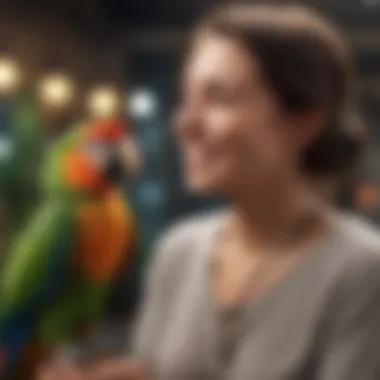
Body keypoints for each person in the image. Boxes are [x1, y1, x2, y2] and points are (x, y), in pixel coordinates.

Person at [38, 4, 380, 380]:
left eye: (219, 99)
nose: (185, 123)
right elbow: (154, 371)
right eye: (186, 98)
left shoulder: (362, 271)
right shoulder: (178, 251)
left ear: (303, 121)